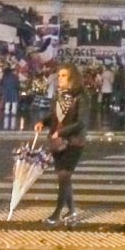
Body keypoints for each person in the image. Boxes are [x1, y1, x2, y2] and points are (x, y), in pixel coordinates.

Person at [35, 64, 88, 225]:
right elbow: (54, 115)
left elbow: (81, 122)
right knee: (63, 178)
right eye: (59, 75)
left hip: (73, 141)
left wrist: (62, 132)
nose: (60, 78)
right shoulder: (59, 95)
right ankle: (72, 211)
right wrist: (43, 122)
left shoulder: (81, 97)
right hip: (57, 141)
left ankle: (57, 213)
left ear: (73, 78)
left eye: (64, 75)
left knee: (64, 175)